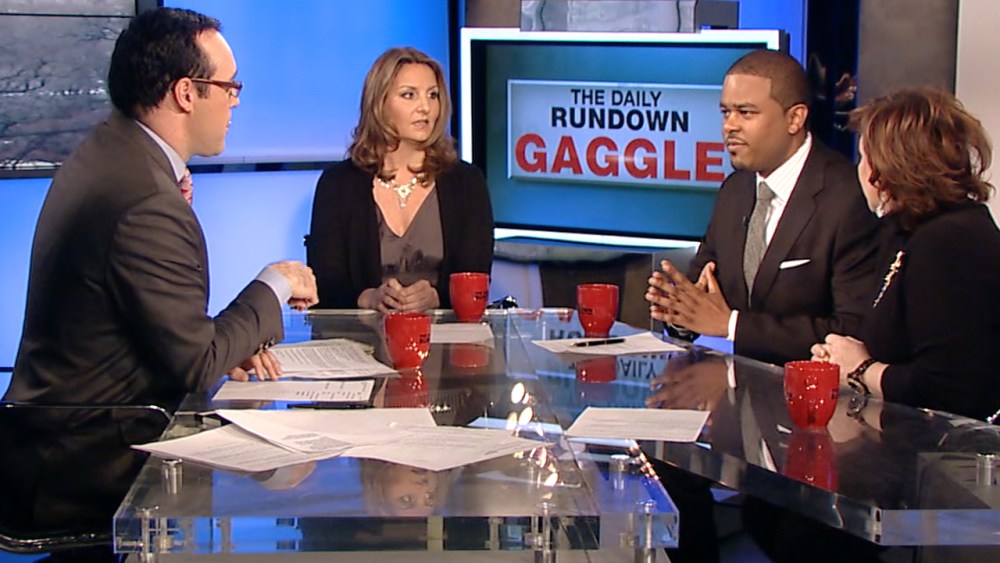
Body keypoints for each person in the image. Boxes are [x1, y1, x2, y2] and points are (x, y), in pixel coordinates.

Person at [5, 8, 319, 412]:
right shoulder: (144, 199)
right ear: (186, 93)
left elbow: (168, 333)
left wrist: (231, 344)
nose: (236, 101)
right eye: (229, 86)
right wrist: (276, 284)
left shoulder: (113, 151)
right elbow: (197, 362)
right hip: (96, 439)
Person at [646, 49, 882, 366]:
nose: (729, 126)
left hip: (818, 391)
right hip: (739, 387)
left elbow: (852, 331)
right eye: (725, 112)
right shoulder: (734, 191)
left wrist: (732, 325)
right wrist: (680, 314)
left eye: (745, 113)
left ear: (794, 119)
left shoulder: (847, 197)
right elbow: (703, 294)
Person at [812, 88, 1000, 422]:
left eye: (864, 157)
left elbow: (952, 389)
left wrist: (861, 369)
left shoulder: (951, 241)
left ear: (888, 166)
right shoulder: (903, 230)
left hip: (944, 449)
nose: (860, 171)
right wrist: (842, 357)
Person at [308, 47, 494, 312]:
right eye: (409, 95)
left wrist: (437, 297)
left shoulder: (466, 182)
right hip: (362, 334)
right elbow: (325, 285)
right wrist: (369, 298)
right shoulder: (338, 185)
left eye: (433, 95)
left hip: (443, 333)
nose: (425, 107)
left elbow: (476, 279)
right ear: (379, 103)